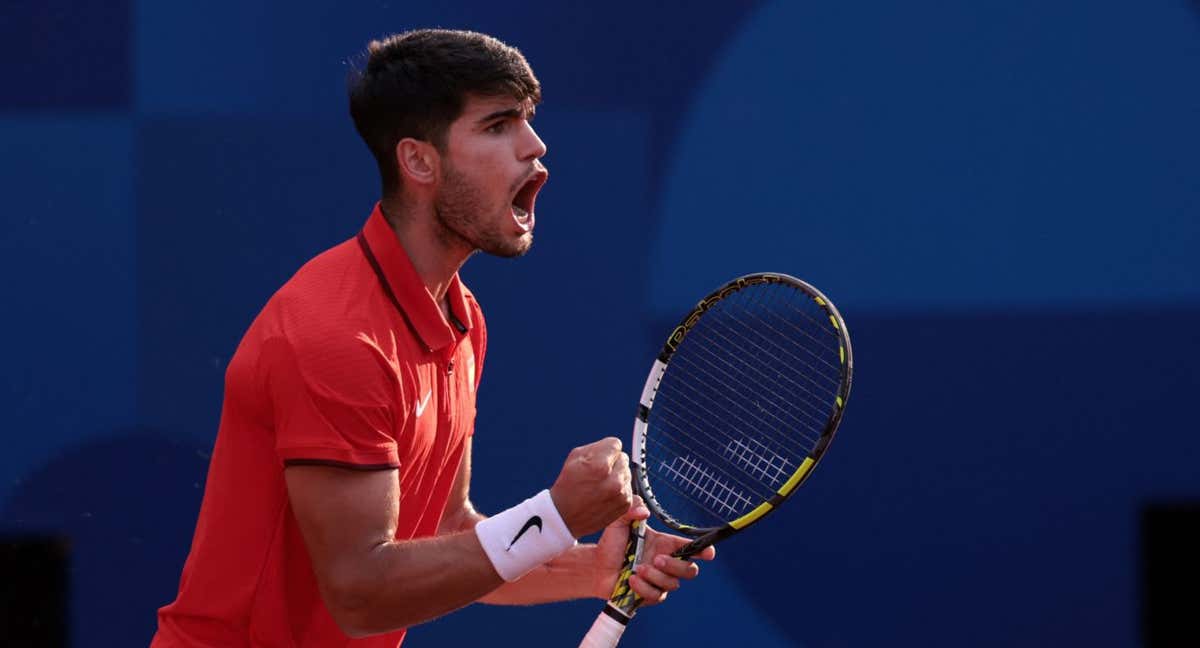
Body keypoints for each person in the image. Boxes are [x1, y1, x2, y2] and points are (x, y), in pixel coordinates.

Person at [152, 28, 714, 647]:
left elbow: (447, 536)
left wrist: (593, 569)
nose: (535, 145)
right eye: (498, 125)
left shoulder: (460, 317)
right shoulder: (336, 337)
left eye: (526, 119)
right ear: (419, 160)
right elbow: (361, 594)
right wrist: (553, 516)